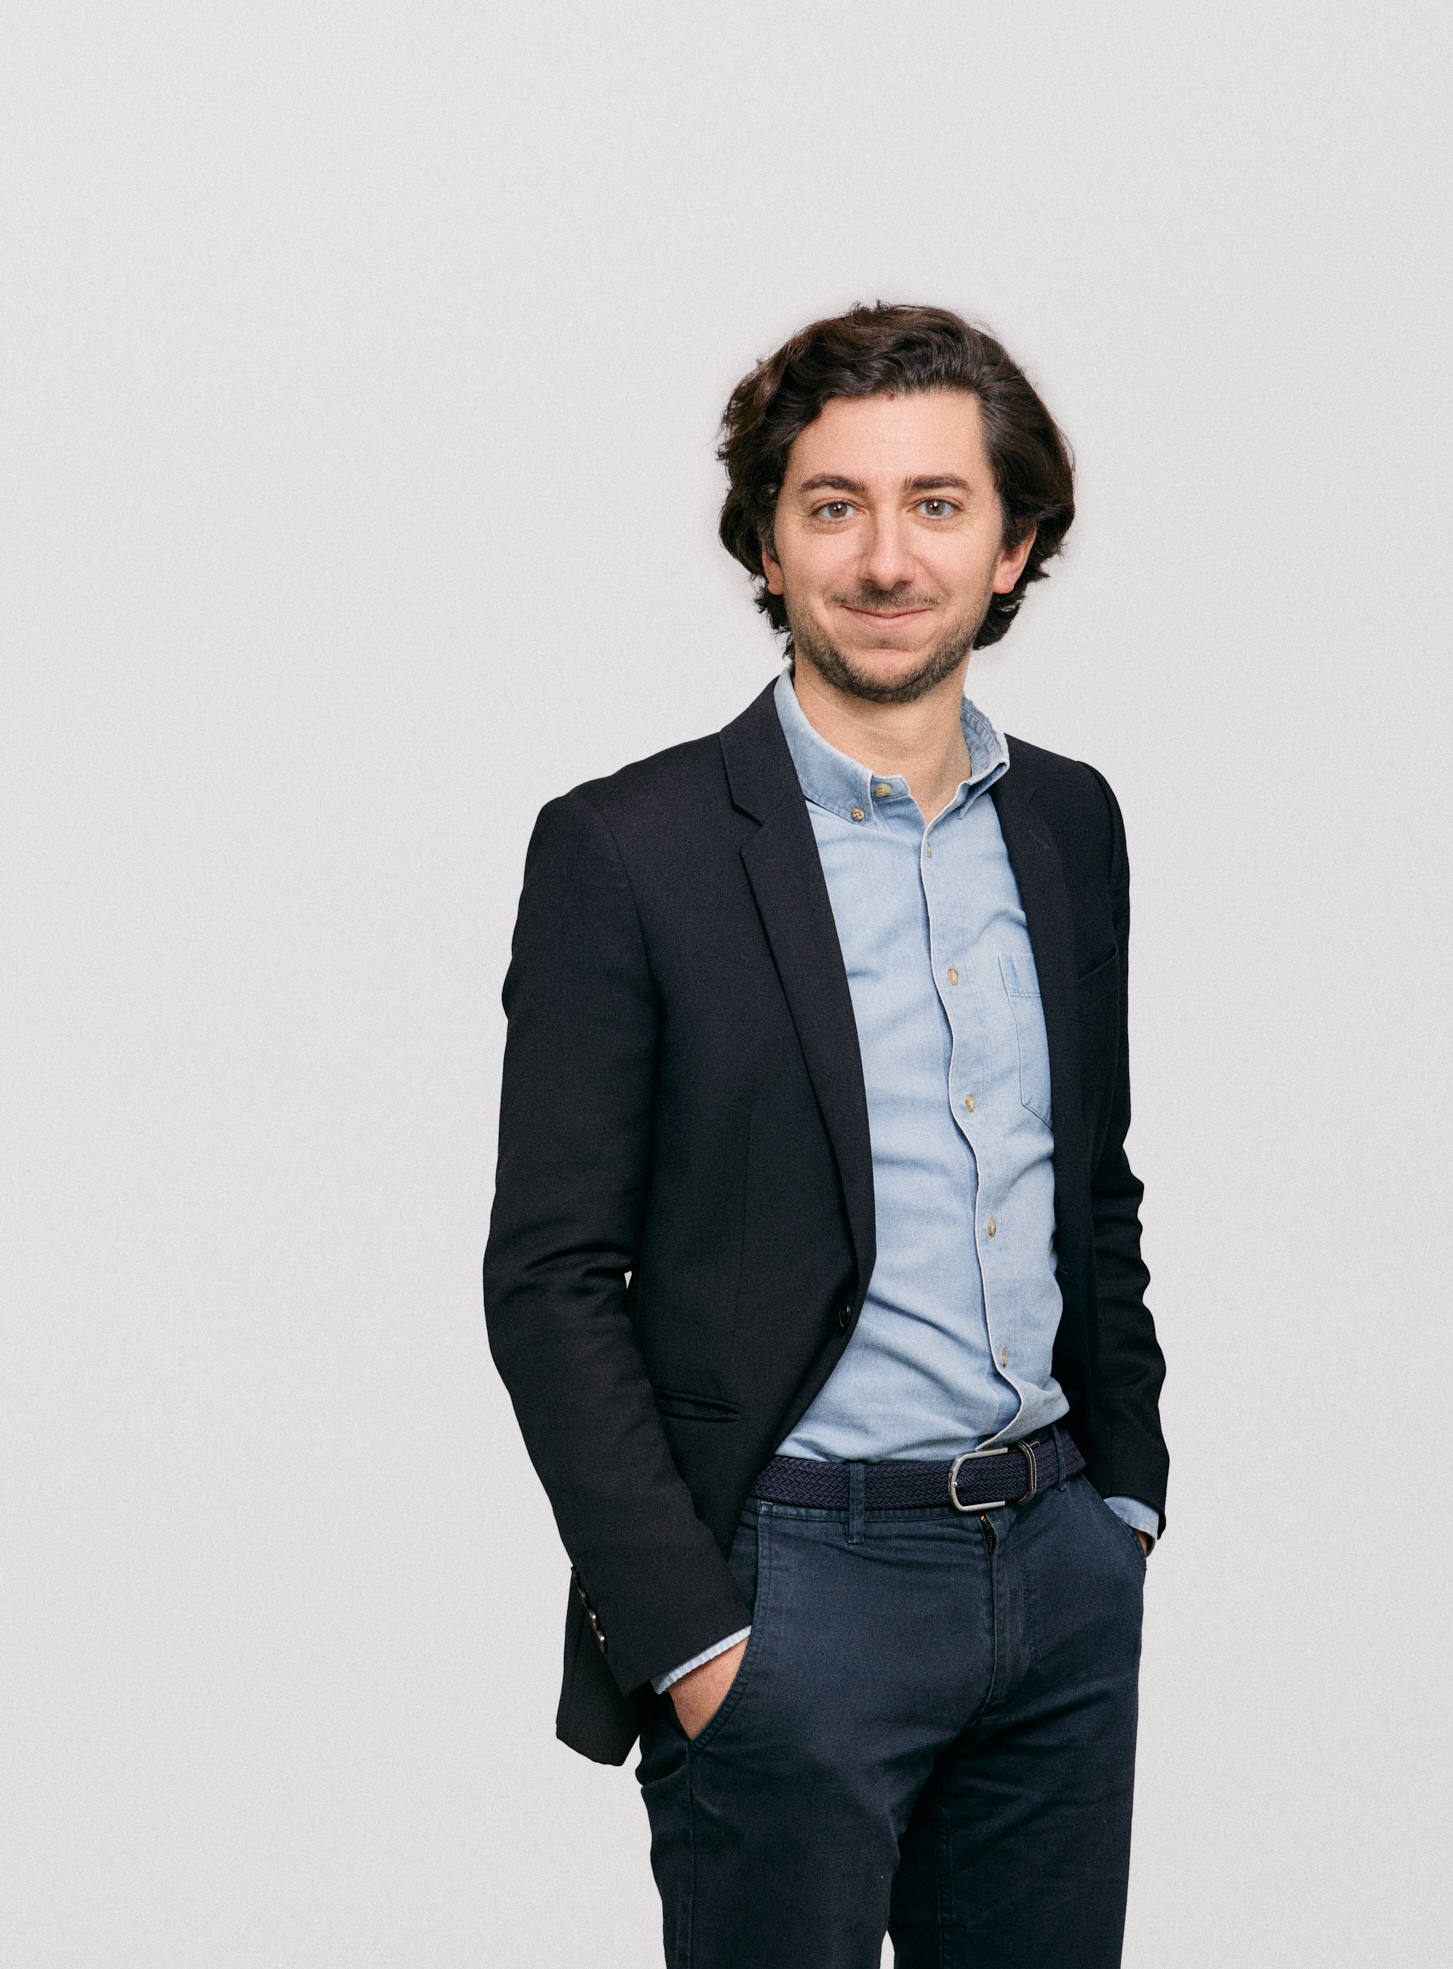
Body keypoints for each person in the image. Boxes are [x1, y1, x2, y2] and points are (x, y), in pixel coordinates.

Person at [483, 302, 1170, 1968]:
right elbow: (550, 1277)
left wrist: (1126, 1504)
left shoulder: (1066, 821)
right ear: (768, 544)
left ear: (1012, 548)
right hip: (793, 1585)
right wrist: (690, 1633)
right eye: (833, 505)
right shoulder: (629, 849)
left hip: (1054, 1571)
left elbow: (1089, 1187)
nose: (885, 556)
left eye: (936, 504)